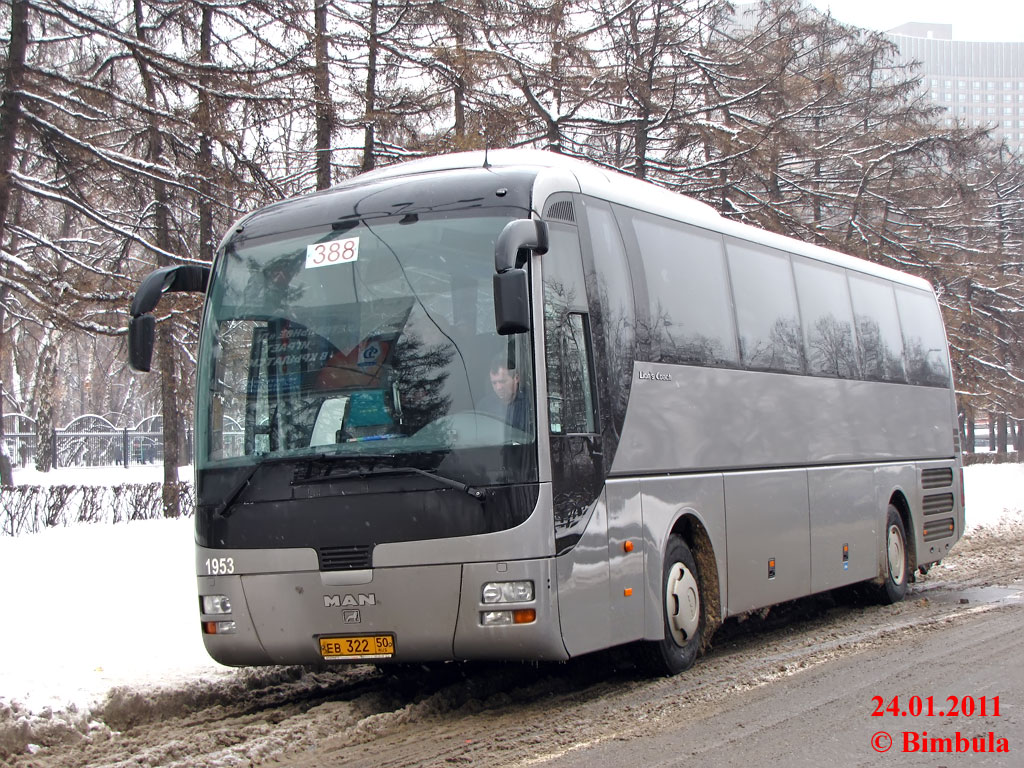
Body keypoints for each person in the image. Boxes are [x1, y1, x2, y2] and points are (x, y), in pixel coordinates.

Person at [481, 354, 530, 433]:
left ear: (516, 378)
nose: (498, 387)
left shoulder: (531, 404)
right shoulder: (484, 406)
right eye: (494, 383)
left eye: (502, 381)